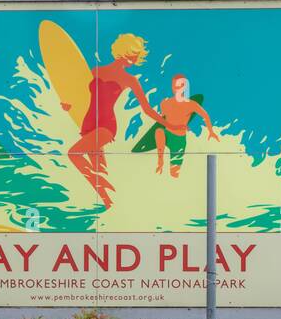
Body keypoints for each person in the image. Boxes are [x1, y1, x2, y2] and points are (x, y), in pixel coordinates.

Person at [63, 33, 164, 207]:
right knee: (100, 168)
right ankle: (110, 203)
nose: (133, 60)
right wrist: (67, 106)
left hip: (106, 127)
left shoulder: (129, 80)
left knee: (74, 153)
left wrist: (169, 123)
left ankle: (104, 185)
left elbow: (147, 109)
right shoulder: (95, 72)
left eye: (135, 57)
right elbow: (80, 98)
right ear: (122, 52)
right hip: (87, 125)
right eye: (131, 55)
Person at [133, 73, 219, 178]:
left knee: (174, 173)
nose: (176, 89)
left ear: (184, 87)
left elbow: (205, 116)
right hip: (167, 134)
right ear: (172, 86)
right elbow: (163, 120)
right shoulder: (165, 103)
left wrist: (211, 131)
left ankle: (173, 169)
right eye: (175, 86)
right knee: (159, 131)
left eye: (180, 86)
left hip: (179, 140)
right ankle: (160, 160)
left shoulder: (191, 104)